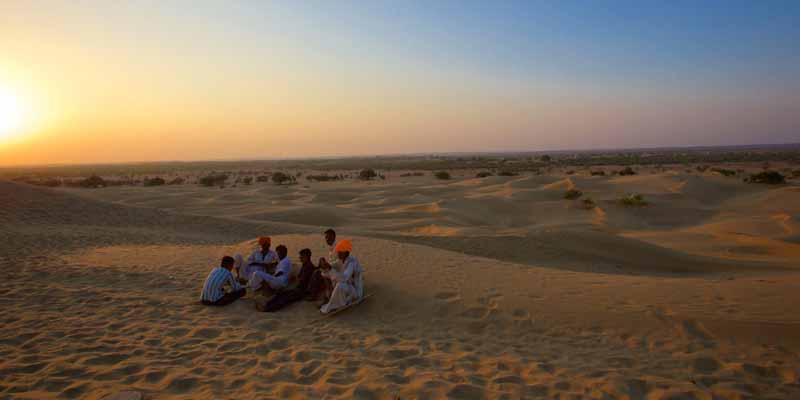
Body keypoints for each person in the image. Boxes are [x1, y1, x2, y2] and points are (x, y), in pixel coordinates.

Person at [320, 239, 363, 314]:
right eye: (338, 251)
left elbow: (345, 278)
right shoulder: (340, 261)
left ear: (346, 252)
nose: (338, 253)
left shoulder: (352, 263)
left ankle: (334, 305)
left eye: (340, 252)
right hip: (348, 288)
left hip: (355, 291)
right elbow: (329, 268)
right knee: (332, 278)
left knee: (340, 285)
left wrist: (330, 269)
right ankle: (335, 302)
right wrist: (325, 266)